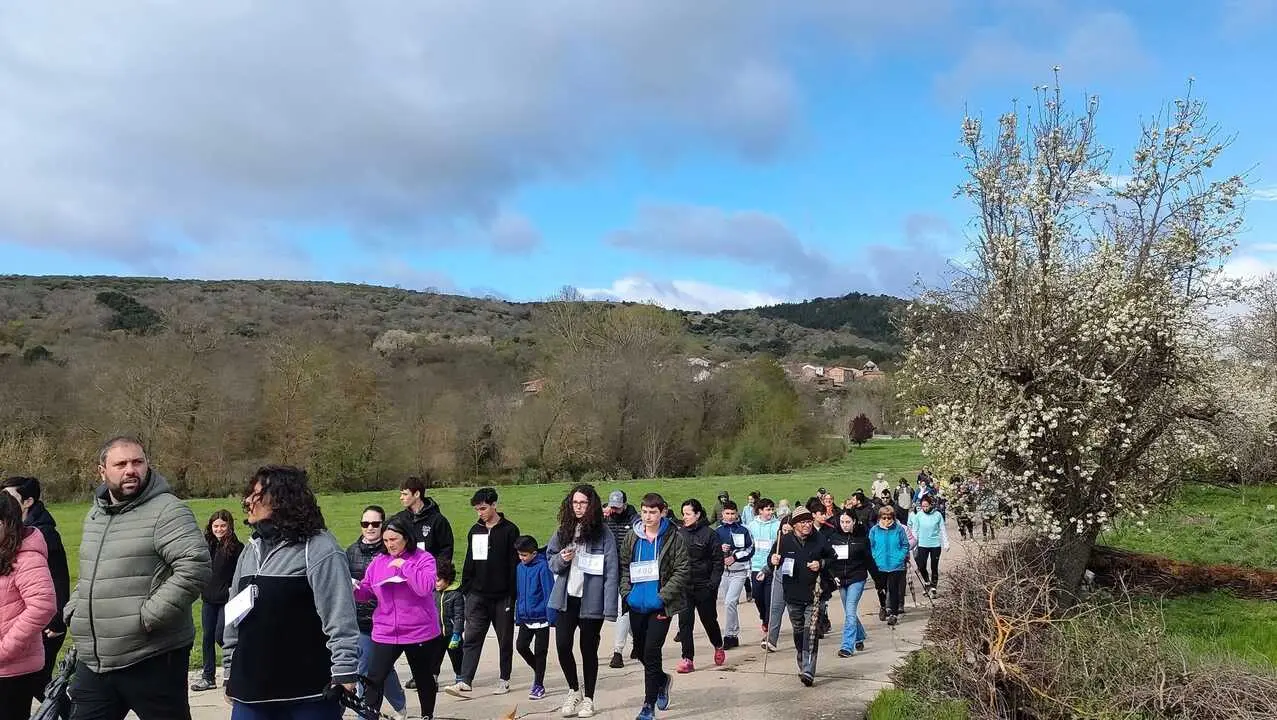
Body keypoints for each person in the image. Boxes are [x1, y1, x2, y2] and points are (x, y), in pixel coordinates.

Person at [65, 435, 211, 720]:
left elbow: (195, 566)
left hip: (152, 657)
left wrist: (147, 618)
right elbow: (90, 573)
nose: (131, 469)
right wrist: (75, 608)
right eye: (121, 464)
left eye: (137, 462)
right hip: (95, 662)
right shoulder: (95, 515)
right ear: (102, 471)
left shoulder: (168, 510)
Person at [223, 465, 361, 719]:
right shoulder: (249, 551)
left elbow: (339, 615)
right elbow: (234, 616)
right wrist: (230, 670)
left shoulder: (320, 548)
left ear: (281, 499)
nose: (248, 501)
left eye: (256, 495)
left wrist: (344, 670)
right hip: (250, 693)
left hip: (308, 695)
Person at [355, 516, 446, 720]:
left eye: (394, 539)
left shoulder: (424, 558)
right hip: (386, 631)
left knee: (423, 678)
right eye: (386, 541)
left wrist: (404, 566)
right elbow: (367, 590)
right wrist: (355, 589)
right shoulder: (379, 561)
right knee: (374, 679)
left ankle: (427, 715)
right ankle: (370, 716)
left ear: (406, 537)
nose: (390, 545)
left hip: (419, 631)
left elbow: (425, 588)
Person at [547, 485, 619, 718]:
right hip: (567, 598)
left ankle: (589, 699)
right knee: (562, 646)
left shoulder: (604, 533)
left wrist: (609, 608)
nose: (578, 507)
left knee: (588, 650)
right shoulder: (563, 530)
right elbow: (550, 559)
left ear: (592, 505)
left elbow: (611, 571)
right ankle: (573, 690)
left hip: (592, 601)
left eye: (583, 503)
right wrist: (562, 559)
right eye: (575, 503)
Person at [618, 493, 689, 720]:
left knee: (651, 651)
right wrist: (627, 593)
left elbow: (682, 570)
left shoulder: (673, 537)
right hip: (636, 604)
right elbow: (624, 566)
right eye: (644, 512)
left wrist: (663, 597)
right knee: (640, 651)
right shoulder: (632, 536)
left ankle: (648, 706)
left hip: (660, 606)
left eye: (653, 512)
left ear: (663, 512)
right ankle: (662, 680)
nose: (648, 517)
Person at [445, 487, 520, 697]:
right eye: (477, 509)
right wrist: (466, 589)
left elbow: (514, 565)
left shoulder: (510, 530)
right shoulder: (474, 531)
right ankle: (465, 680)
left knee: (504, 640)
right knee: (472, 637)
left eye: (484, 508)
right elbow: (469, 561)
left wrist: (513, 594)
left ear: (494, 505)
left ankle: (504, 679)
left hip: (502, 595)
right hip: (477, 595)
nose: (480, 513)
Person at [1, 476, 70, 699]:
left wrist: (58, 618)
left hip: (18, 658)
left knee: (41, 685)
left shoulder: (38, 540)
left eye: (10, 495)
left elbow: (52, 588)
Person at [346, 506, 407, 718]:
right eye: (365, 524)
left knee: (381, 669)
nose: (369, 528)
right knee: (367, 670)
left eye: (374, 524)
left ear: (382, 525)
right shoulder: (351, 551)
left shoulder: (390, 552)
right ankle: (369, 713)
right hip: (360, 622)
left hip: (385, 622)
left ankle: (398, 703)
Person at [0, 491, 56, 719]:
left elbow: (43, 605)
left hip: (12, 670)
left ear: (7, 522)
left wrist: (4, 649)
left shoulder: (27, 558)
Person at [772, 507, 834, 687]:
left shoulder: (819, 540)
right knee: (799, 630)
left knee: (811, 631)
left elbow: (833, 558)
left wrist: (821, 563)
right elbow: (773, 559)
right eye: (803, 522)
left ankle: (809, 669)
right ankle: (801, 656)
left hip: (815, 593)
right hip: (792, 594)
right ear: (794, 525)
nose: (807, 525)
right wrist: (773, 560)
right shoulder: (784, 541)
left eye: (809, 521)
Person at [191, 509, 244, 692]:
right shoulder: (207, 544)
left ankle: (238, 666)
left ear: (229, 526)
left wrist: (233, 589)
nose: (219, 529)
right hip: (208, 598)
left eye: (223, 525)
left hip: (227, 600)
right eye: (216, 526)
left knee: (221, 636)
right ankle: (208, 677)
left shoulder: (237, 548)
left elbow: (241, 572)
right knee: (207, 638)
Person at [674, 498, 724, 673]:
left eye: (688, 514)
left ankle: (718, 645)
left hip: (705, 586)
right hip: (685, 587)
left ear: (698, 514)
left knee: (709, 620)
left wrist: (713, 583)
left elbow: (718, 561)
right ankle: (687, 659)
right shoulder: (679, 534)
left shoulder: (710, 534)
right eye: (683, 514)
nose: (685, 517)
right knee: (685, 624)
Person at [512, 536, 554, 703]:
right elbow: (519, 593)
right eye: (519, 555)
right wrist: (518, 615)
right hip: (526, 617)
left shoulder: (544, 567)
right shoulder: (519, 568)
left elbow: (549, 592)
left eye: (524, 555)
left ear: (534, 553)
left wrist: (552, 617)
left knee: (540, 652)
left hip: (542, 618)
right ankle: (538, 670)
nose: (521, 558)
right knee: (521, 646)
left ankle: (539, 684)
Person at [824, 510, 870, 658]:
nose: (845, 525)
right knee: (849, 612)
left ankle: (847, 646)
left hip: (857, 578)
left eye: (848, 522)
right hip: (841, 580)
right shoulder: (833, 538)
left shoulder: (862, 538)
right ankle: (860, 635)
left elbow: (869, 560)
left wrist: (881, 582)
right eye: (842, 522)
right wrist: (833, 575)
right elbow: (828, 560)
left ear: (854, 522)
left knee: (850, 610)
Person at [603, 490, 640, 669]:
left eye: (618, 508)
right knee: (624, 612)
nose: (615, 511)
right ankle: (639, 641)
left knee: (622, 610)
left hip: (628, 571)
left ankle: (617, 652)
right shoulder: (605, 517)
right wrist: (599, 516)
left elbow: (640, 528)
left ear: (625, 504)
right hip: (610, 570)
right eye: (612, 507)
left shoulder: (634, 518)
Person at [714, 501, 753, 650]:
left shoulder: (744, 530)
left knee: (730, 601)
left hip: (739, 571)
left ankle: (730, 634)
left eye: (732, 514)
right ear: (722, 514)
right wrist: (719, 549)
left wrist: (735, 556)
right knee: (729, 603)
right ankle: (734, 633)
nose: (730, 517)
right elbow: (711, 550)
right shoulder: (717, 531)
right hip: (724, 572)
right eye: (727, 514)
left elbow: (750, 548)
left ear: (737, 514)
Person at [393, 475, 455, 561]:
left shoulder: (438, 520)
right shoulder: (399, 519)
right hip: (405, 571)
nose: (401, 497)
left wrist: (438, 572)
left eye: (405, 494)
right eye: (401, 494)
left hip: (430, 572)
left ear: (417, 494)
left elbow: (446, 550)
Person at [868, 504, 910, 626]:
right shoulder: (874, 530)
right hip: (879, 565)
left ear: (893, 518)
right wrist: (874, 557)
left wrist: (900, 557)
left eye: (889, 518)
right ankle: (883, 607)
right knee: (881, 589)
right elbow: (870, 546)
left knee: (893, 589)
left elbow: (905, 545)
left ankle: (893, 613)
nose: (886, 520)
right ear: (879, 518)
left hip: (895, 565)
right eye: (884, 518)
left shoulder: (899, 529)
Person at [746, 498, 779, 635]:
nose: (770, 512)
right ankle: (763, 617)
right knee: (757, 595)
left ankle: (768, 622)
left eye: (772, 509)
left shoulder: (777, 525)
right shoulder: (752, 525)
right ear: (760, 511)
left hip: (771, 566)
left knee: (769, 597)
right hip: (756, 566)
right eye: (767, 509)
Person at [908, 495, 950, 599]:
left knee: (934, 566)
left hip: (935, 544)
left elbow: (942, 529)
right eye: (923, 506)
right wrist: (913, 545)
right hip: (922, 544)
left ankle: (934, 587)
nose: (925, 508)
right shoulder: (918, 516)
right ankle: (927, 582)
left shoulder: (937, 515)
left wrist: (946, 542)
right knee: (921, 565)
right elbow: (915, 531)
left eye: (926, 506)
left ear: (931, 505)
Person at [434, 559, 465, 687]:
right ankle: (433, 678)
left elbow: (459, 616)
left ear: (447, 579)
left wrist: (457, 634)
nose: (435, 583)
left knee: (456, 656)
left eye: (438, 580)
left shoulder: (455, 595)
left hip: (452, 633)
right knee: (434, 658)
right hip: (436, 634)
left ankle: (460, 676)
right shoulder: (433, 593)